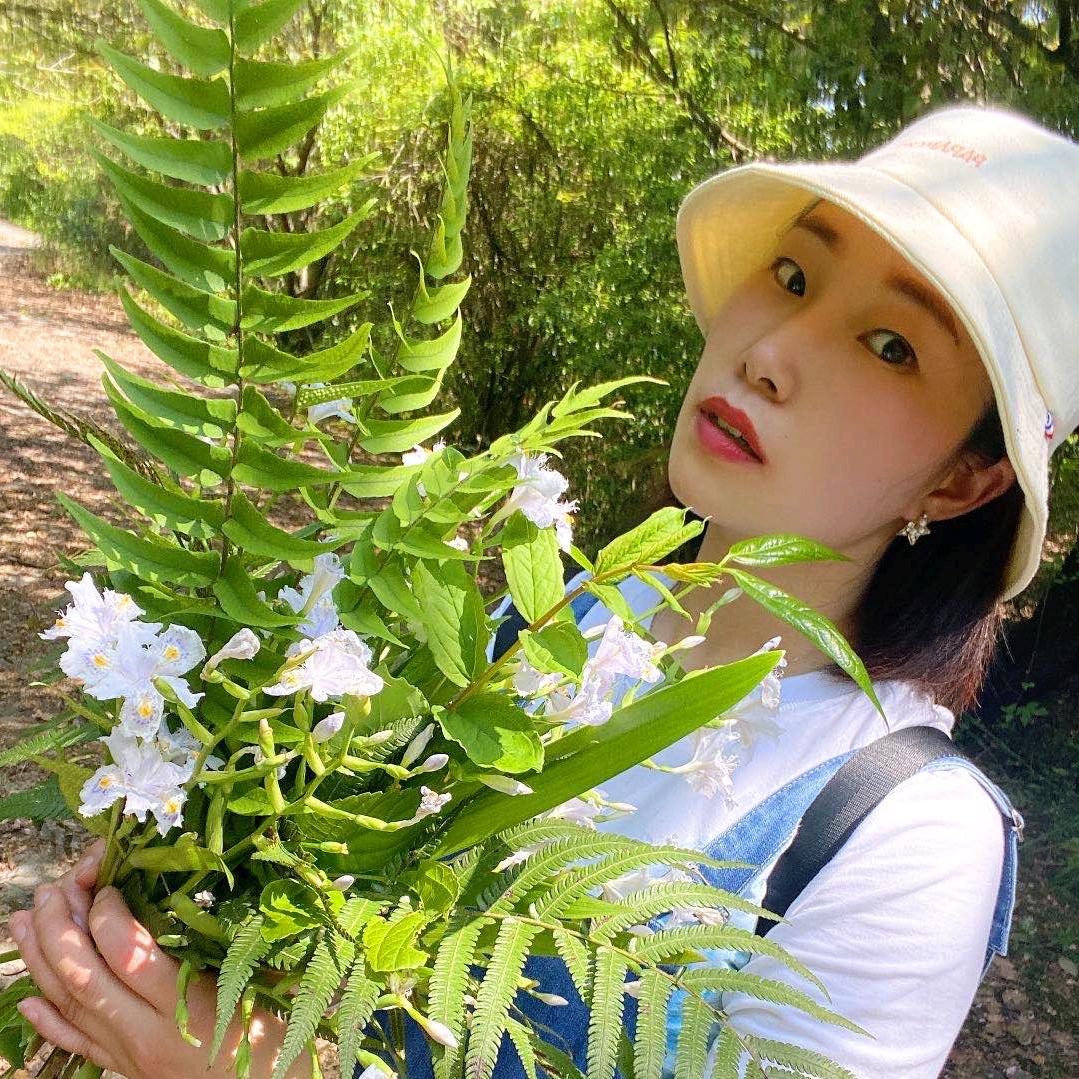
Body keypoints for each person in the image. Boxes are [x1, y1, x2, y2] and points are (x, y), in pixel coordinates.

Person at [7, 101, 1078, 1079]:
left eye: (889, 345)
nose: (768, 352)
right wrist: (183, 888)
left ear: (960, 478)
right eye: (792, 275)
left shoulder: (904, 840)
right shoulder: (557, 618)